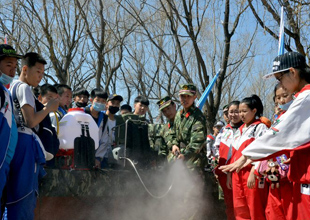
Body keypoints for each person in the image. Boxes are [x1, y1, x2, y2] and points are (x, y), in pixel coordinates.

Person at [220, 51, 310, 219]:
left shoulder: (306, 97)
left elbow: (279, 135)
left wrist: (247, 156)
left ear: (293, 72)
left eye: (280, 78)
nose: (280, 83)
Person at [7, 52, 59, 219]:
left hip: (15, 141)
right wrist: (48, 108)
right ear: (25, 69)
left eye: (43, 73)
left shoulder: (12, 86)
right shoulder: (23, 88)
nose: (40, 77)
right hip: (25, 143)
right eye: (37, 71)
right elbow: (30, 121)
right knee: (25, 195)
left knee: (13, 195)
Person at [230, 95, 269, 220]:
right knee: (240, 208)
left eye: (244, 111)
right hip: (237, 174)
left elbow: (264, 152)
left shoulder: (260, 127)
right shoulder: (240, 129)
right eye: (239, 111)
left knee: (255, 207)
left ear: (254, 111)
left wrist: (254, 171)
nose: (241, 114)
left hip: (251, 174)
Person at [0, 44, 21, 216]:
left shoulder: (4, 92)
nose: (13, 71)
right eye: (8, 65)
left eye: (15, 67)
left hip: (4, 164)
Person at [214, 101, 242, 220]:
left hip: (239, 172)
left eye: (237, 111)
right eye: (231, 112)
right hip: (224, 173)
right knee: (229, 203)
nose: (233, 115)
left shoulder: (246, 128)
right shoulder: (224, 130)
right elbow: (216, 149)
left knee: (240, 204)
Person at [170, 84, 206, 171]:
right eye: (182, 96)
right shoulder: (178, 115)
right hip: (178, 158)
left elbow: (197, 142)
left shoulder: (198, 117)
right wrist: (174, 144)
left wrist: (184, 155)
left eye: (188, 96)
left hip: (194, 162)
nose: (185, 99)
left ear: (194, 97)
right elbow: (173, 133)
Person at [95, 94, 123, 168]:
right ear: (106, 104)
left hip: (114, 155)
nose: (114, 105)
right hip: (100, 154)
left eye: (117, 104)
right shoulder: (101, 118)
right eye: (112, 102)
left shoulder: (120, 121)